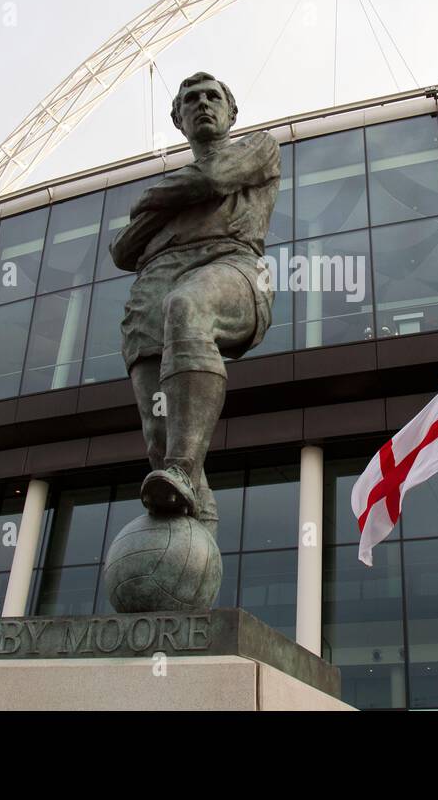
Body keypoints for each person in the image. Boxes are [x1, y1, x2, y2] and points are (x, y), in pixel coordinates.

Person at [110, 72, 280, 535]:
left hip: (232, 265)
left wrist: (155, 199)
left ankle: (183, 468)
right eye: (191, 100)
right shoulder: (183, 184)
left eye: (212, 97)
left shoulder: (259, 148)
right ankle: (192, 530)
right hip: (152, 284)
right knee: (159, 433)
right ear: (177, 120)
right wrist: (190, 191)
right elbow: (123, 249)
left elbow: (217, 175)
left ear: (231, 112)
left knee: (188, 307)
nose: (203, 104)